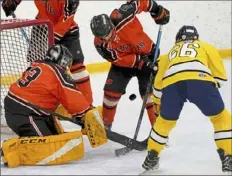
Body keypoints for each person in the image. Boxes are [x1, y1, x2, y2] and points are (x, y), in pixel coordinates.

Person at [142, 26, 232, 174]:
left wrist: (158, 101)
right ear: (196, 37)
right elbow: (220, 77)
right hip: (200, 80)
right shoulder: (205, 46)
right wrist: (210, 87)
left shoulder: (169, 53)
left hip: (172, 84)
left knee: (164, 122)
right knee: (221, 117)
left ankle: (152, 156)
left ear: (177, 38)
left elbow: (157, 85)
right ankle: (228, 156)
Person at [1, 44, 107, 168]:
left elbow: (46, 95)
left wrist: (79, 117)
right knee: (48, 148)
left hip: (18, 109)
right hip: (26, 114)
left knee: (55, 137)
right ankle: (11, 150)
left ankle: (26, 138)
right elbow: (72, 96)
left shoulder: (37, 65)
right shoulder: (57, 72)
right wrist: (86, 115)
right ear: (63, 61)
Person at [90, 0, 170, 130]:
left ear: (111, 25)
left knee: (148, 94)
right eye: (102, 36)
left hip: (148, 55)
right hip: (125, 64)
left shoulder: (122, 15)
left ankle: (159, 130)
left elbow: (140, 2)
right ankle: (106, 127)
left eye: (108, 33)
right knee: (110, 93)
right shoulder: (100, 44)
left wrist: (157, 10)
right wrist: (139, 62)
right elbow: (117, 60)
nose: (106, 38)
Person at [2, 0, 93, 105]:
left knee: (77, 67)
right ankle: (41, 101)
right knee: (37, 67)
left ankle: (87, 106)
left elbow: (65, 21)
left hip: (66, 31)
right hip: (42, 26)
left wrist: (51, 40)